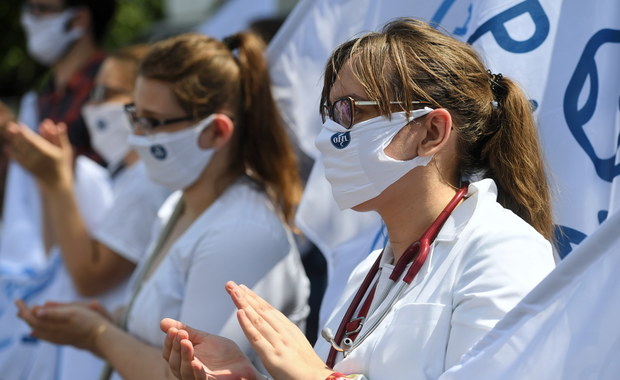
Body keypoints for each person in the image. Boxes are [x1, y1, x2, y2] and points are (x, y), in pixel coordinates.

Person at [160, 18, 557, 380]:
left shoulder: (506, 253)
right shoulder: (369, 269)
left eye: (348, 111)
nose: (327, 136)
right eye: (329, 114)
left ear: (432, 133)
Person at [17, 32, 311, 380]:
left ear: (216, 132)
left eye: (152, 122)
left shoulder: (242, 233)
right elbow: (161, 328)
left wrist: (97, 336)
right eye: (135, 116)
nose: (136, 136)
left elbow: (192, 374)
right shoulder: (180, 204)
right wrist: (105, 320)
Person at [1, 45, 171, 380]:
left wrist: (59, 183)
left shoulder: (149, 183)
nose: (92, 106)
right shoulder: (114, 175)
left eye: (105, 92)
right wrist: (49, 183)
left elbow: (88, 276)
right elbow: (58, 255)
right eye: (91, 94)